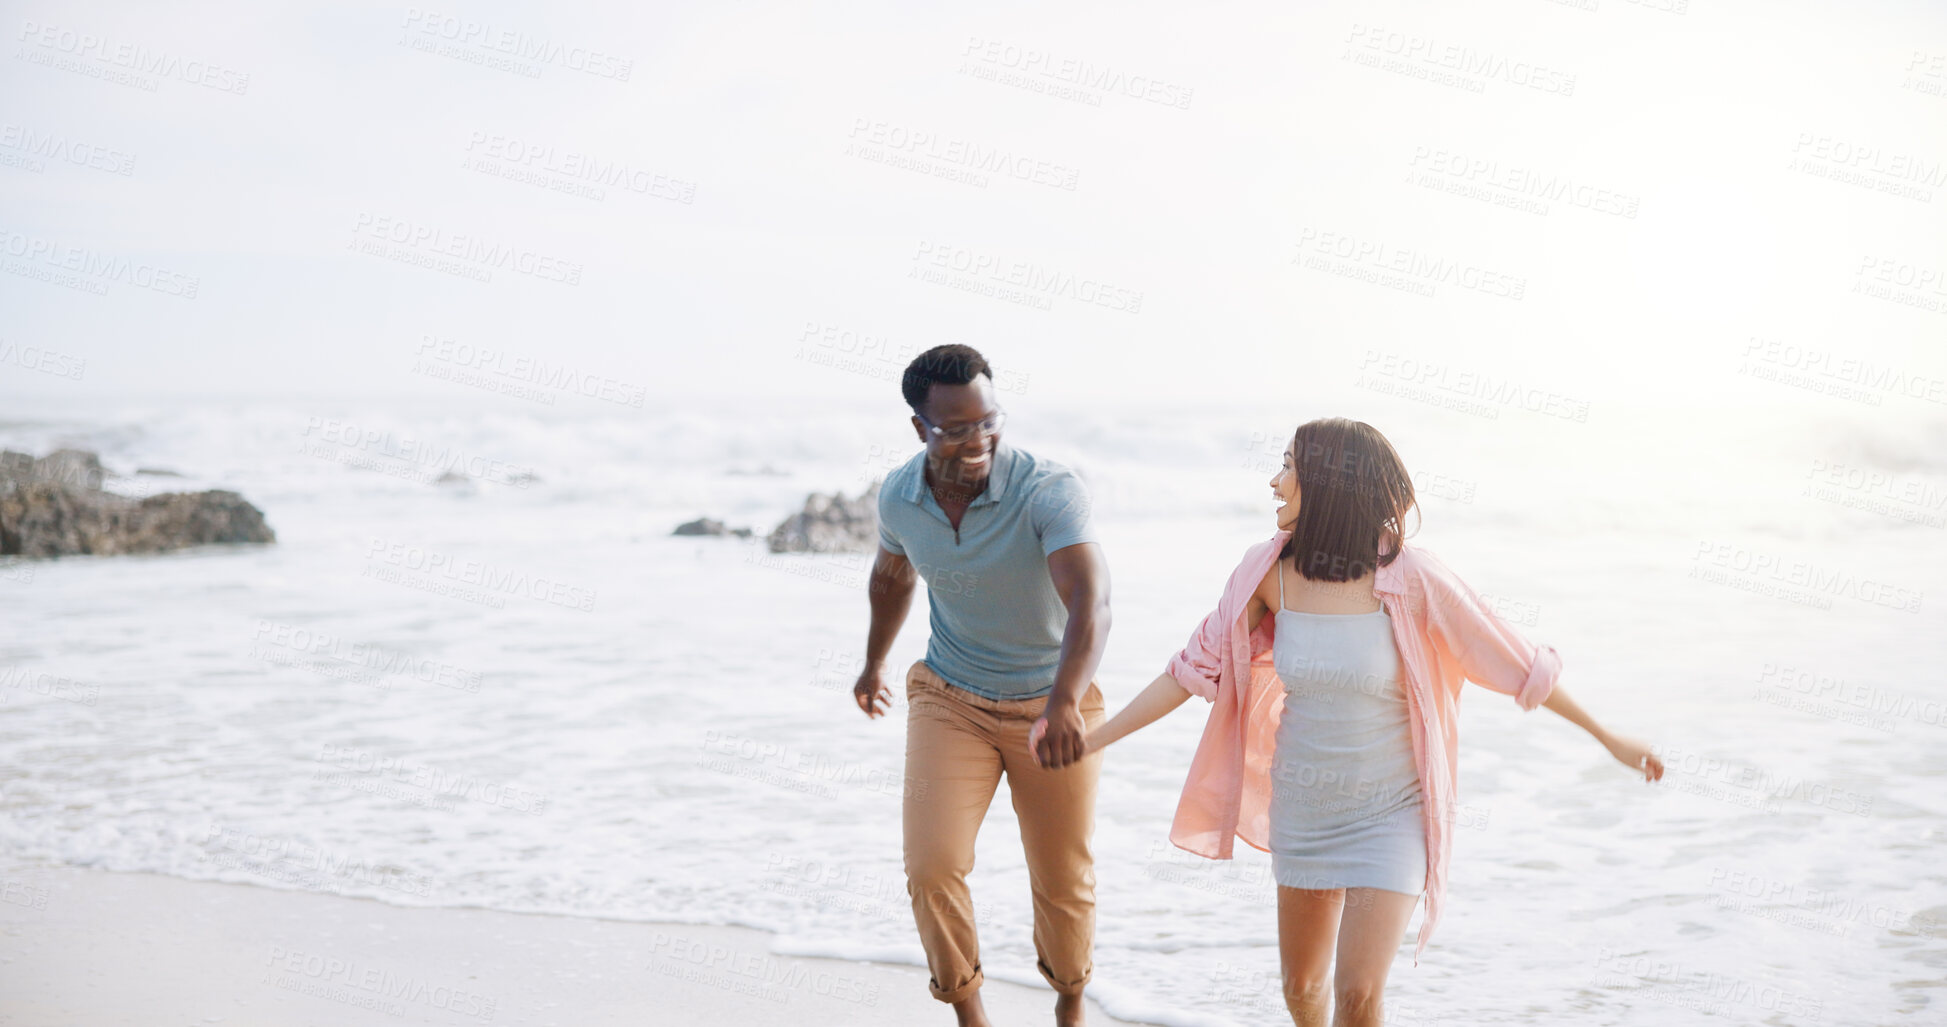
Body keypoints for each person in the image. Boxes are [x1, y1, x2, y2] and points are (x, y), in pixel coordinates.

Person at [1057, 417, 1664, 1027]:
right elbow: (1191, 671)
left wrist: (1607, 737)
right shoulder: (1265, 575)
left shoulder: (1415, 579)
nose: (1275, 480)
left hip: (1389, 815)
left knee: (1356, 996)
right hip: (1303, 813)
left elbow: (1516, 662)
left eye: (1289, 467)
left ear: (1327, 483)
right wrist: (1090, 740)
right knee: (1300, 989)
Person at [852, 344, 1111, 1027]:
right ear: (919, 429)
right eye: (955, 427)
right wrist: (873, 661)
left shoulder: (1047, 489)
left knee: (1062, 882)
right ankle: (969, 1011)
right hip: (950, 696)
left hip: (1053, 704)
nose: (977, 439)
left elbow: (1091, 599)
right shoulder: (899, 495)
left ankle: (1070, 999)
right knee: (931, 865)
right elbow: (891, 575)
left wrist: (1061, 702)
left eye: (988, 420)